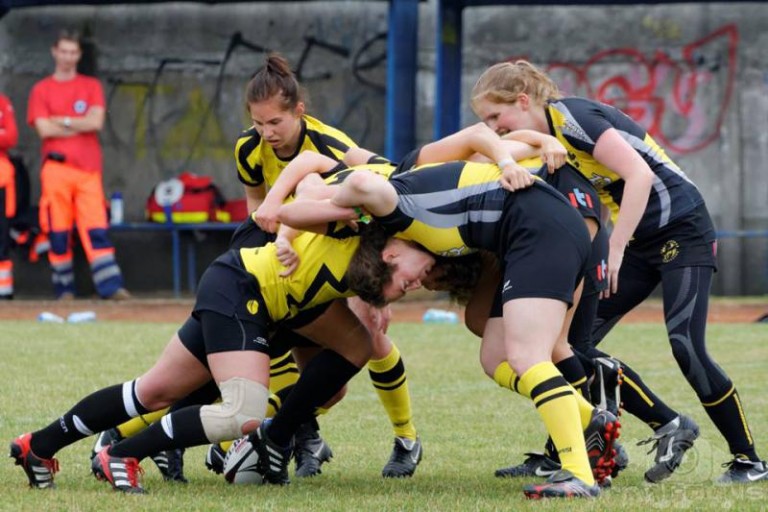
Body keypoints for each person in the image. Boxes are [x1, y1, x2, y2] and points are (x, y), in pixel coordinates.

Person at [276, 127, 621, 499]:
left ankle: (576, 472)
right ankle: (589, 418)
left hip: (540, 230)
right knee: (495, 357)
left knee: (526, 355)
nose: (416, 285)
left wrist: (341, 207)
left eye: (404, 284)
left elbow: (360, 182)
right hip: (537, 231)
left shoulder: (395, 210)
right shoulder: (419, 224)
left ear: (390, 254)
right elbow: (290, 210)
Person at [470, 59, 768, 484]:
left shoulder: (575, 118)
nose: (494, 127)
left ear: (523, 100)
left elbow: (639, 174)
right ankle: (656, 428)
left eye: (496, 116)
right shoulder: (551, 137)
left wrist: (613, 245)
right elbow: (486, 145)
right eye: (488, 121)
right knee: (572, 345)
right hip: (635, 243)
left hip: (682, 230)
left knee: (686, 346)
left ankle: (749, 461)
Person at [9, 224, 437, 493]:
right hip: (244, 288)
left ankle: (40, 445)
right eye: (422, 271)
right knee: (241, 413)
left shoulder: (390, 239)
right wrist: (283, 220)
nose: (424, 281)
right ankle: (122, 454)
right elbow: (314, 175)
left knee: (154, 390)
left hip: (282, 301)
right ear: (395, 250)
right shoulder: (376, 190)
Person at [230, 52, 423, 478]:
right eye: (259, 123)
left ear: (299, 111)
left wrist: (372, 290)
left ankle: (406, 438)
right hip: (282, 247)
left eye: (275, 123)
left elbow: (371, 206)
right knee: (276, 336)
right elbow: (257, 208)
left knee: (369, 340)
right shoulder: (249, 146)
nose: (267, 133)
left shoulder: (331, 145)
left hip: (338, 247)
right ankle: (303, 435)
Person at [26, 30, 129, 300]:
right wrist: (77, 122)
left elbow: (95, 122)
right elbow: (43, 129)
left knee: (96, 228)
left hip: (88, 170)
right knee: (57, 231)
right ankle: (64, 291)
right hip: (55, 170)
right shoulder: (41, 89)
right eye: (64, 51)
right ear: (54, 52)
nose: (68, 57)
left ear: (79, 55)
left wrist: (62, 121)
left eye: (73, 52)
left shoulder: (90, 85)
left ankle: (110, 288)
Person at [0, 92, 18, 299]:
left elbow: (11, 137)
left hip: (2, 179)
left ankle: (3, 293)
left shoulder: (3, 101)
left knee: (1, 235)